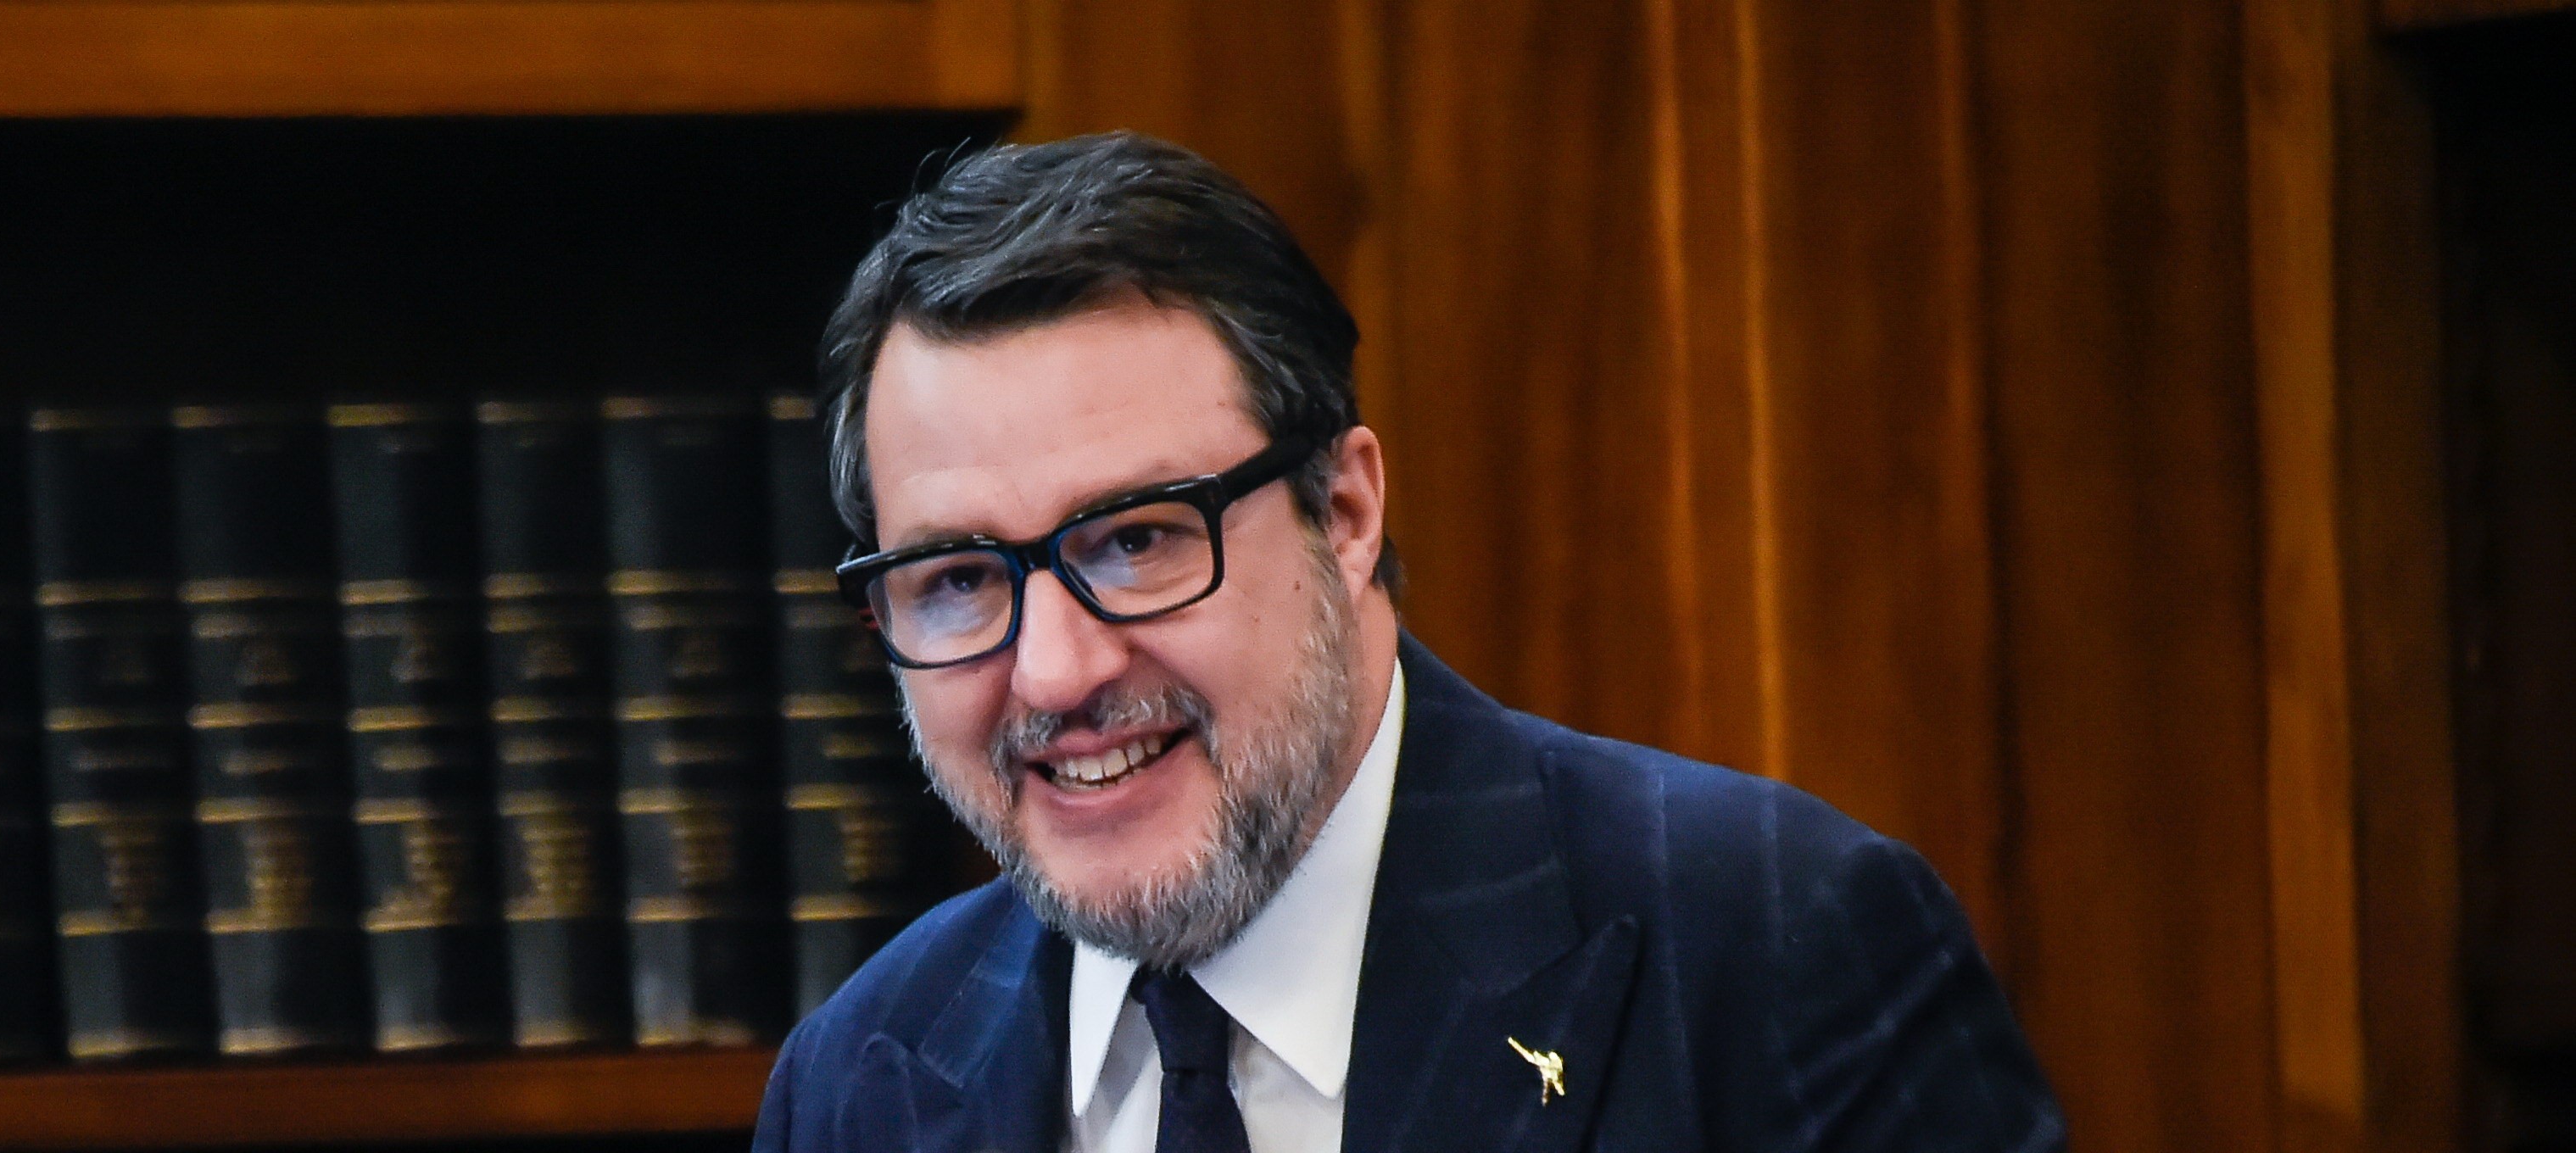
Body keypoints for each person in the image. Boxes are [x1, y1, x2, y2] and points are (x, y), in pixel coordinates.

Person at [751, 132, 2065, 1152]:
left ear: (1343, 512)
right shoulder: (857, 1080)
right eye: (958, 579)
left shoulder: (1772, 947)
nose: (1055, 670)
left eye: (1137, 541)